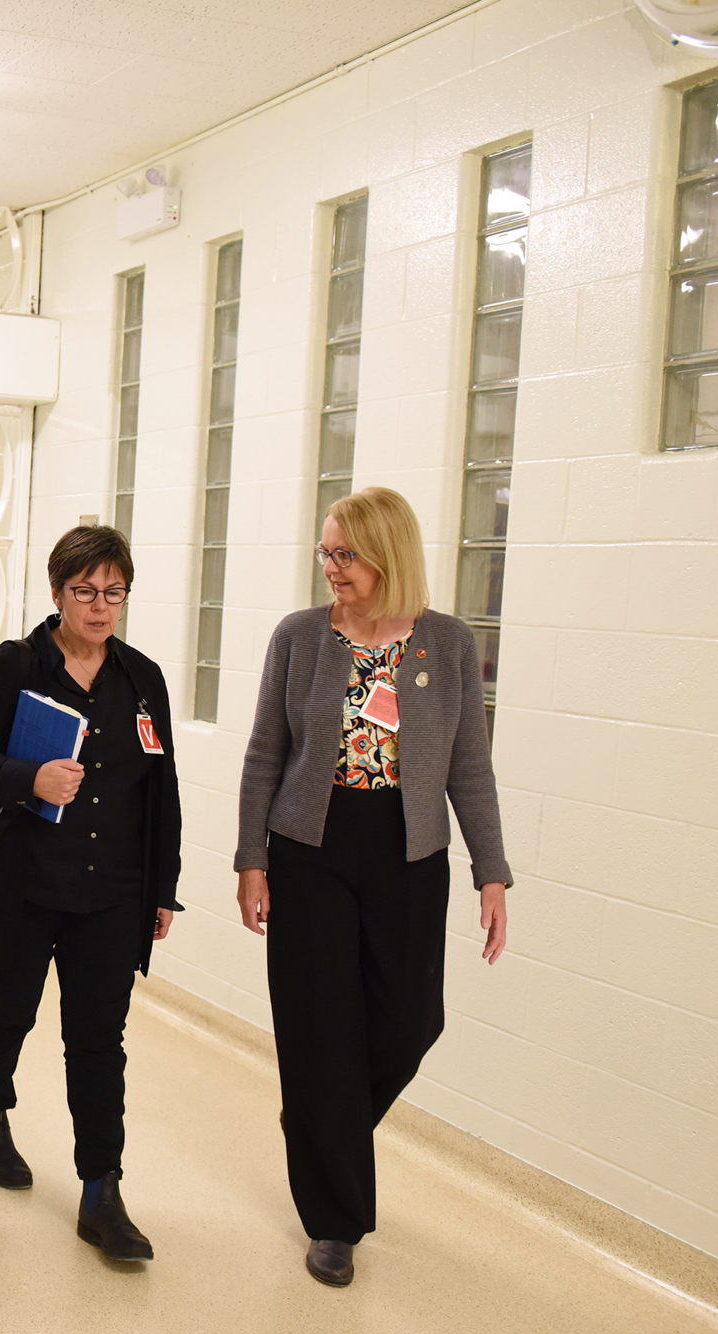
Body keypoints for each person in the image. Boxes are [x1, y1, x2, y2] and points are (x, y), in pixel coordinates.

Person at [234, 485, 510, 1290]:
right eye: (325, 552)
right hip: (309, 848)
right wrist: (251, 858)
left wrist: (490, 873)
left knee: (410, 1019)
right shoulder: (299, 638)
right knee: (317, 1027)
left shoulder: (448, 644)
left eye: (343, 554)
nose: (330, 567)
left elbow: (469, 768)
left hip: (409, 852)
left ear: (387, 554)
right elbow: (263, 755)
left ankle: (319, 1120)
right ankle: (333, 1222)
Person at [0, 524, 183, 1264]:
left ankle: (100, 1190)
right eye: (85, 590)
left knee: (97, 1041)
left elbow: (161, 790)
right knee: (7, 1010)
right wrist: (30, 778)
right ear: (56, 592)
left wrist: (163, 888)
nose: (100, 605)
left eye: (113, 591)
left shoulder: (141, 679)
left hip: (111, 890)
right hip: (23, 880)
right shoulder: (16, 666)